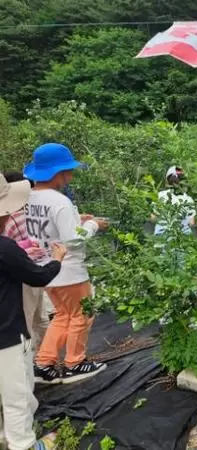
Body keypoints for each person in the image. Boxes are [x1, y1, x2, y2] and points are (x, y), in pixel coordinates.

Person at [23, 143, 108, 384]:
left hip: (47, 269)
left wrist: (76, 218)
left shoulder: (30, 198)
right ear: (57, 173)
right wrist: (93, 225)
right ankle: (75, 363)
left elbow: (52, 227)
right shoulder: (59, 201)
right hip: (70, 270)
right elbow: (72, 237)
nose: (71, 175)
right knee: (82, 315)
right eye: (68, 170)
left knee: (62, 315)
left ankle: (43, 364)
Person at [0, 173, 66, 450]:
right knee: (17, 396)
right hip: (7, 335)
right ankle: (25, 445)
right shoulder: (4, 247)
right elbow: (36, 276)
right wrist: (57, 260)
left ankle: (4, 437)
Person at [1, 172, 50, 352]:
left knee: (36, 318)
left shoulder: (18, 216)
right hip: (28, 271)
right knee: (33, 319)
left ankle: (44, 359)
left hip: (29, 270)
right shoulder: (19, 217)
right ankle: (42, 360)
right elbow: (8, 249)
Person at [153, 166, 196, 236]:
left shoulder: (161, 195)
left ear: (168, 180)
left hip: (162, 237)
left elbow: (154, 218)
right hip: (181, 238)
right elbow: (192, 223)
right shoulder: (188, 199)